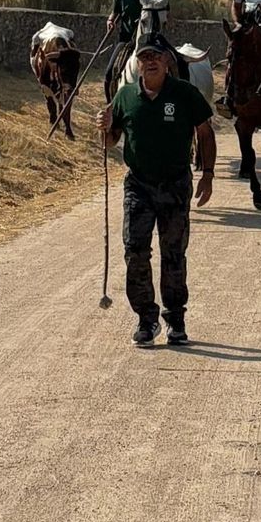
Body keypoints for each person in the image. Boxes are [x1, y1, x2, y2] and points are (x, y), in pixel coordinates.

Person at [97, 43, 217, 347]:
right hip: (138, 185)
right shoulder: (125, 95)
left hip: (175, 184)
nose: (150, 61)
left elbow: (205, 132)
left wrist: (208, 174)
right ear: (137, 63)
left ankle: (175, 319)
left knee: (173, 253)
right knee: (135, 250)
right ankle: (146, 319)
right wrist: (106, 128)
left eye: (155, 56)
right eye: (144, 57)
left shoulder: (185, 93)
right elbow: (112, 140)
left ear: (166, 61)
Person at [105, 0, 166, 95]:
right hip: (127, 41)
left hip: (155, 42)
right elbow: (114, 13)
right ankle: (112, 103)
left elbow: (168, 16)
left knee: (179, 65)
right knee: (109, 73)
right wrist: (110, 21)